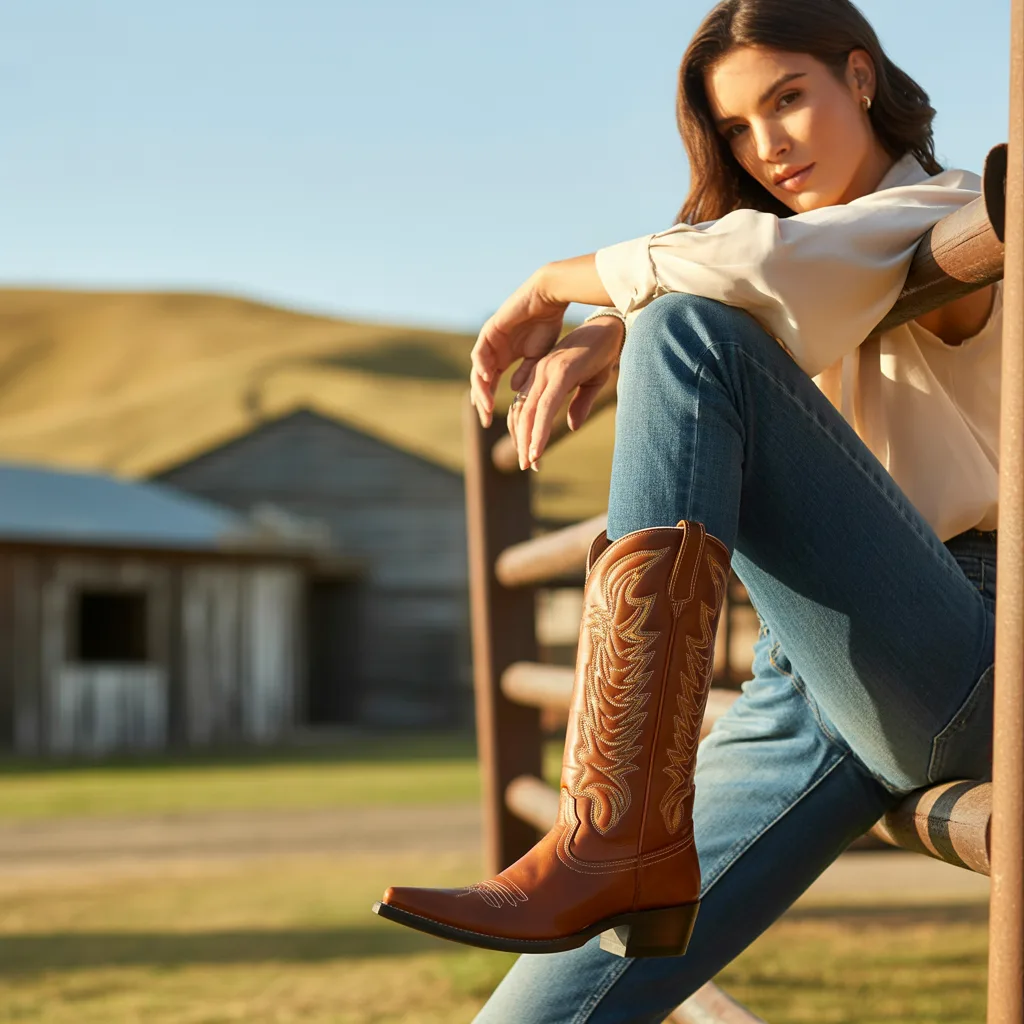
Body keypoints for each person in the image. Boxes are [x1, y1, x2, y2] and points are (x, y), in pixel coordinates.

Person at [375, 1, 1002, 1019]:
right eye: (738, 130)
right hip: (817, 674)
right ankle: (620, 834)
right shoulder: (816, 265)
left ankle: (614, 824)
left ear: (860, 76)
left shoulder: (950, 209)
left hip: (961, 651)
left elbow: (748, 271)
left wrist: (562, 290)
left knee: (682, 332)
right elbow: (757, 271)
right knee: (534, 1013)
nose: (768, 146)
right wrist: (628, 320)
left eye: (788, 99)